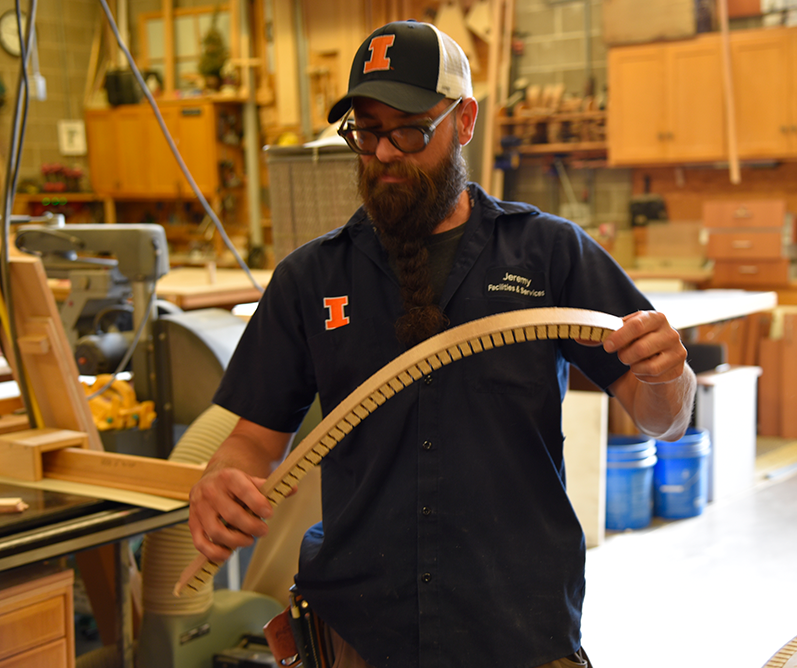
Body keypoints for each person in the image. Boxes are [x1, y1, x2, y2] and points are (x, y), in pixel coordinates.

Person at [188, 20, 696, 668]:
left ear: (464, 122)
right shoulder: (310, 280)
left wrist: (665, 377)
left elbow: (665, 416)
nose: (385, 155)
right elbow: (250, 442)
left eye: (408, 130)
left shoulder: (548, 254)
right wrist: (223, 481)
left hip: (517, 628)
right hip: (359, 633)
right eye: (365, 132)